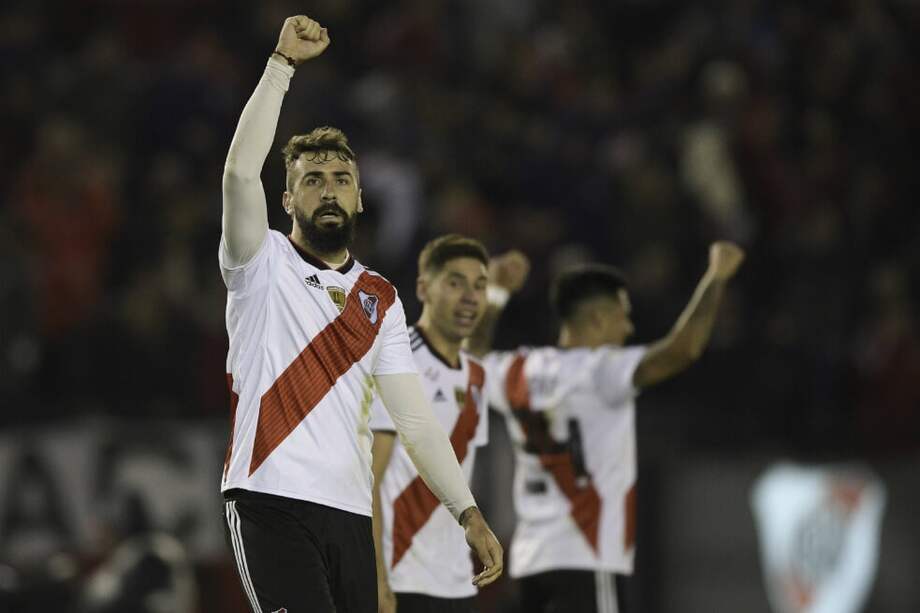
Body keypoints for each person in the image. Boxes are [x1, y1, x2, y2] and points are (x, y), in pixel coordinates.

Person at [218, 16, 502, 613]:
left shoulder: (382, 298)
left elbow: (416, 422)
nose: (328, 190)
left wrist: (468, 513)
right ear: (288, 199)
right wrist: (280, 67)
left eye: (341, 179)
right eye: (312, 180)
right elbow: (241, 171)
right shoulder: (259, 260)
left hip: (349, 514)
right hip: (268, 500)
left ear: (360, 197)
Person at [469, 241, 745, 613]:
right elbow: (682, 350)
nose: (629, 327)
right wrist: (715, 279)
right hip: (586, 557)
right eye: (622, 315)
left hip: (531, 564)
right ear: (597, 319)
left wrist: (498, 293)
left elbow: (469, 366)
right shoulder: (601, 372)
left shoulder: (521, 370)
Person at [369, 236, 529, 613]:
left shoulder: (474, 373)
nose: (471, 297)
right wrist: (376, 582)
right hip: (401, 578)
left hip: (456, 581)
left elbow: (467, 355)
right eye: (455, 283)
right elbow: (368, 479)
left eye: (479, 285)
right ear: (424, 288)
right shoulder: (398, 363)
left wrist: (500, 293)